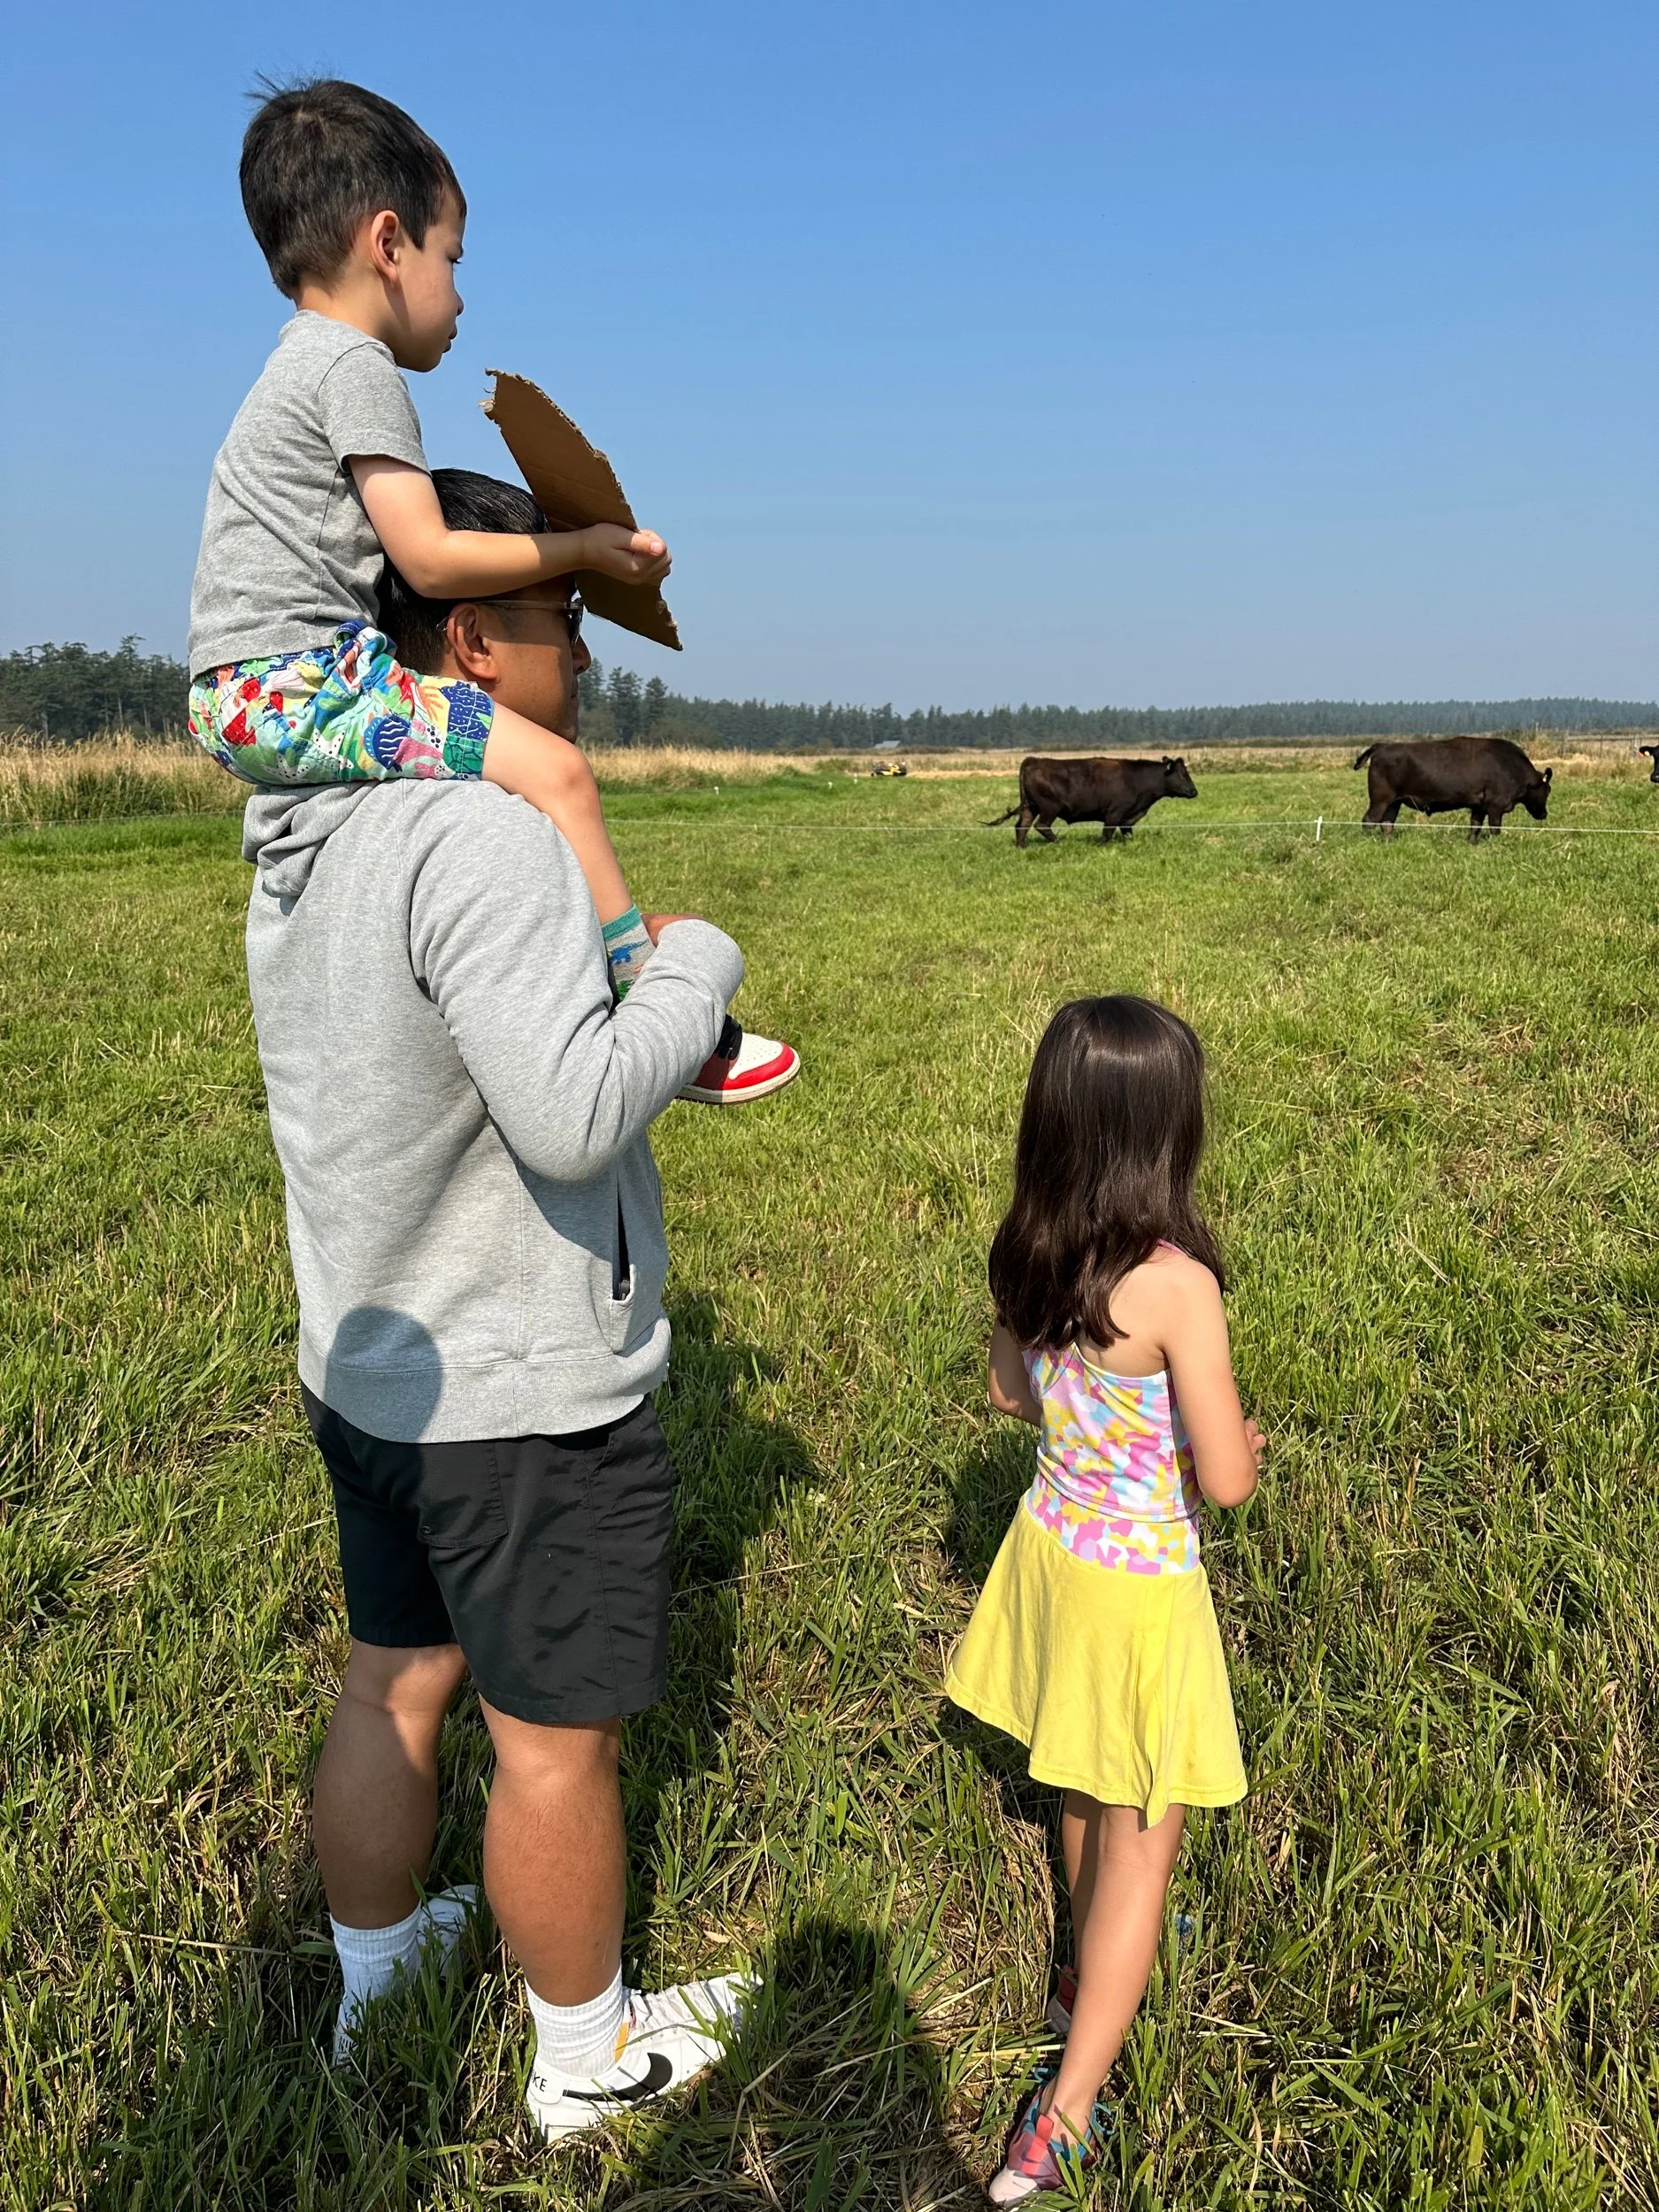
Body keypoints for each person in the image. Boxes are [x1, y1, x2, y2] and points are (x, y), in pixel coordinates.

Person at [239, 488, 756, 2136]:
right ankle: (586, 2059)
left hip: (373, 1362)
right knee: (552, 1743)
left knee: (393, 1678)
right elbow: (575, 1114)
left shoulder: (305, 828)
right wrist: (693, 970)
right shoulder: (490, 835)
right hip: (523, 1393)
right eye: (559, 622)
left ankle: (379, 1980)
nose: (586, 655)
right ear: (469, 640)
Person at [188, 75, 795, 1104]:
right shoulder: (355, 367)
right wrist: (582, 551)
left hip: (240, 690)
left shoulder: (288, 367)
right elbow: (428, 562)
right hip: (298, 685)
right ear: (388, 245)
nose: (459, 295)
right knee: (557, 772)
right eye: (451, 259)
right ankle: (650, 998)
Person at [945, 996, 1262, 2203]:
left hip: (1053, 1556)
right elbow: (1223, 1480)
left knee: (1081, 1784)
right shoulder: (1174, 1285)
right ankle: (1063, 2114)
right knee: (1140, 1847)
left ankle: (1089, 1969)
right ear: (1165, 1138)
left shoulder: (1027, 1251)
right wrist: (1220, 1447)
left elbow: (1011, 1398)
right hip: (1139, 1599)